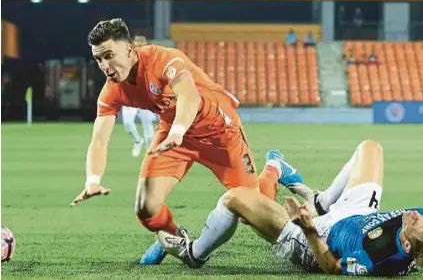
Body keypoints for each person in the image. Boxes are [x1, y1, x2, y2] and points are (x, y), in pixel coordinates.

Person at [69, 18, 285, 266]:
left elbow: (188, 95)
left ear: (129, 49)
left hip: (219, 133)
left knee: (252, 211)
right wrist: (93, 179)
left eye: (109, 55)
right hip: (173, 135)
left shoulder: (163, 59)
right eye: (98, 59)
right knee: (146, 208)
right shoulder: (112, 90)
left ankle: (274, 168)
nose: (104, 65)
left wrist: (178, 130)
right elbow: (98, 140)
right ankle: (174, 239)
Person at [158, 140, 423, 276]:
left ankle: (194, 253)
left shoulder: (380, 256)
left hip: (320, 240)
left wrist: (309, 229)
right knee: (371, 147)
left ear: (404, 243)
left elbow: (332, 267)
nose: (417, 214)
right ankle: (320, 201)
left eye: (417, 222)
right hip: (358, 212)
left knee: (236, 198)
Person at [121, 34, 157, 157]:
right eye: (137, 41)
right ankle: (137, 140)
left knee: (148, 126)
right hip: (131, 96)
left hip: (146, 96)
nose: (140, 43)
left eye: (142, 41)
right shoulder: (126, 57)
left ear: (147, 43)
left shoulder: (152, 58)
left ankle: (150, 151)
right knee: (127, 123)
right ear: (133, 43)